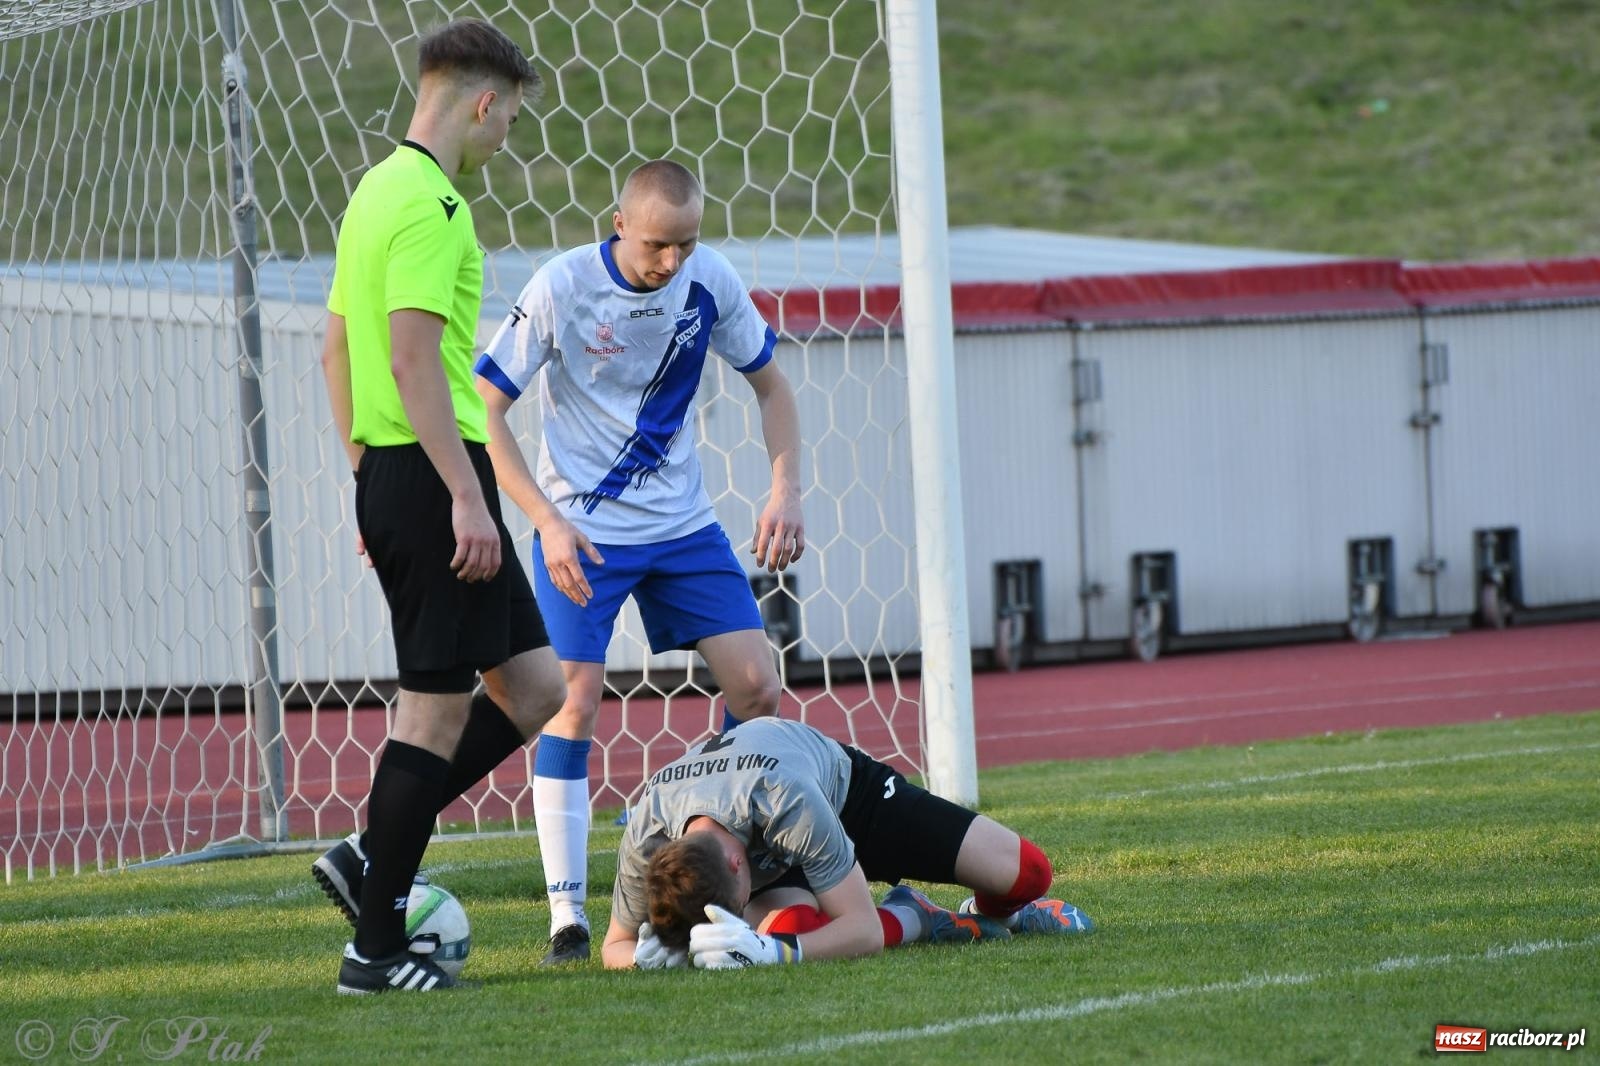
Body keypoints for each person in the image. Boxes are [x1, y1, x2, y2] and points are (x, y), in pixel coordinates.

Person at [472, 159, 806, 965]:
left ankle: (717, 856)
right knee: (572, 701)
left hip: (683, 526)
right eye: (658, 244)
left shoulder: (709, 280)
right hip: (582, 529)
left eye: (686, 243)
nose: (672, 261)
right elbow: (485, 408)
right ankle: (567, 919)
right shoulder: (562, 287)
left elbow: (773, 387)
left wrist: (785, 490)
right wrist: (545, 522)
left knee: (759, 689)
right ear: (619, 224)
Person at [314, 19, 561, 995]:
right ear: (484, 102)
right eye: (511, 120)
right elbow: (412, 357)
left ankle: (372, 852)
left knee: (535, 687)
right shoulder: (433, 204)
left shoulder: (374, 190)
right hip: (435, 475)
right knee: (433, 708)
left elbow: (336, 351)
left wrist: (366, 476)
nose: (505, 138)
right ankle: (375, 950)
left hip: (401, 471)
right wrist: (460, 492)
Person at [599, 716, 1095, 969]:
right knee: (794, 927)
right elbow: (614, 946)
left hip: (848, 800)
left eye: (738, 904)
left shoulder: (783, 799)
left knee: (1028, 872)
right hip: (785, 839)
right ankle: (918, 915)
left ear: (735, 862)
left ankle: (1001, 915)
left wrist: (772, 954)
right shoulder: (648, 832)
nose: (741, 910)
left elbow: (863, 931)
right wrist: (644, 960)